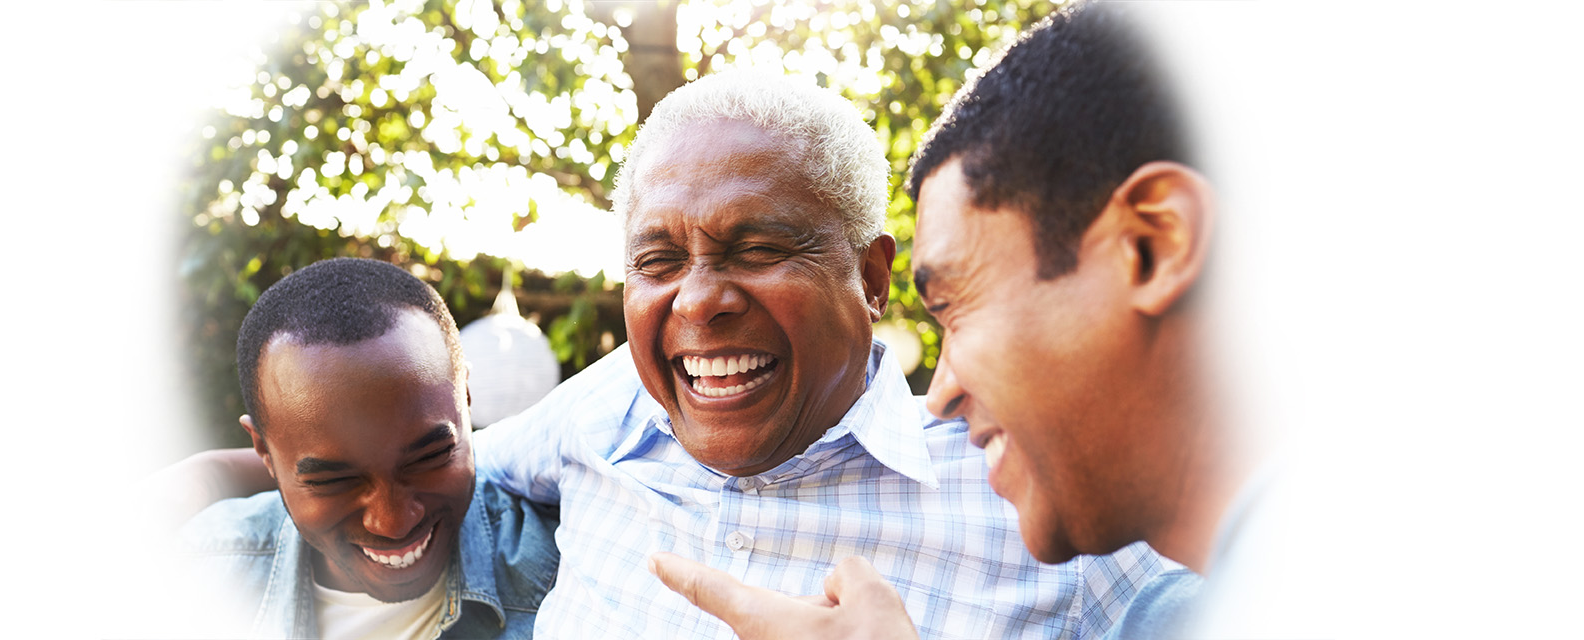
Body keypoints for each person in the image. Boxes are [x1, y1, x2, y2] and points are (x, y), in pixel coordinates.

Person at [168, 69, 1167, 639]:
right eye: (659, 259)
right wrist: (210, 480)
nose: (699, 300)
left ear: (869, 277)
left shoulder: (1043, 497)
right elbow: (428, 465)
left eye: (756, 248)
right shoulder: (601, 413)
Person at [645, 5, 1261, 639]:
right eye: (657, 261)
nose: (939, 394)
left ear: (1153, 247)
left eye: (958, 306)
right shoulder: (612, 415)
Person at [177, 257, 558, 639]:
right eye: (334, 481)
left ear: (467, 397)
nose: (393, 522)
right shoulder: (193, 578)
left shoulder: (569, 569)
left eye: (430, 457)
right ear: (263, 450)